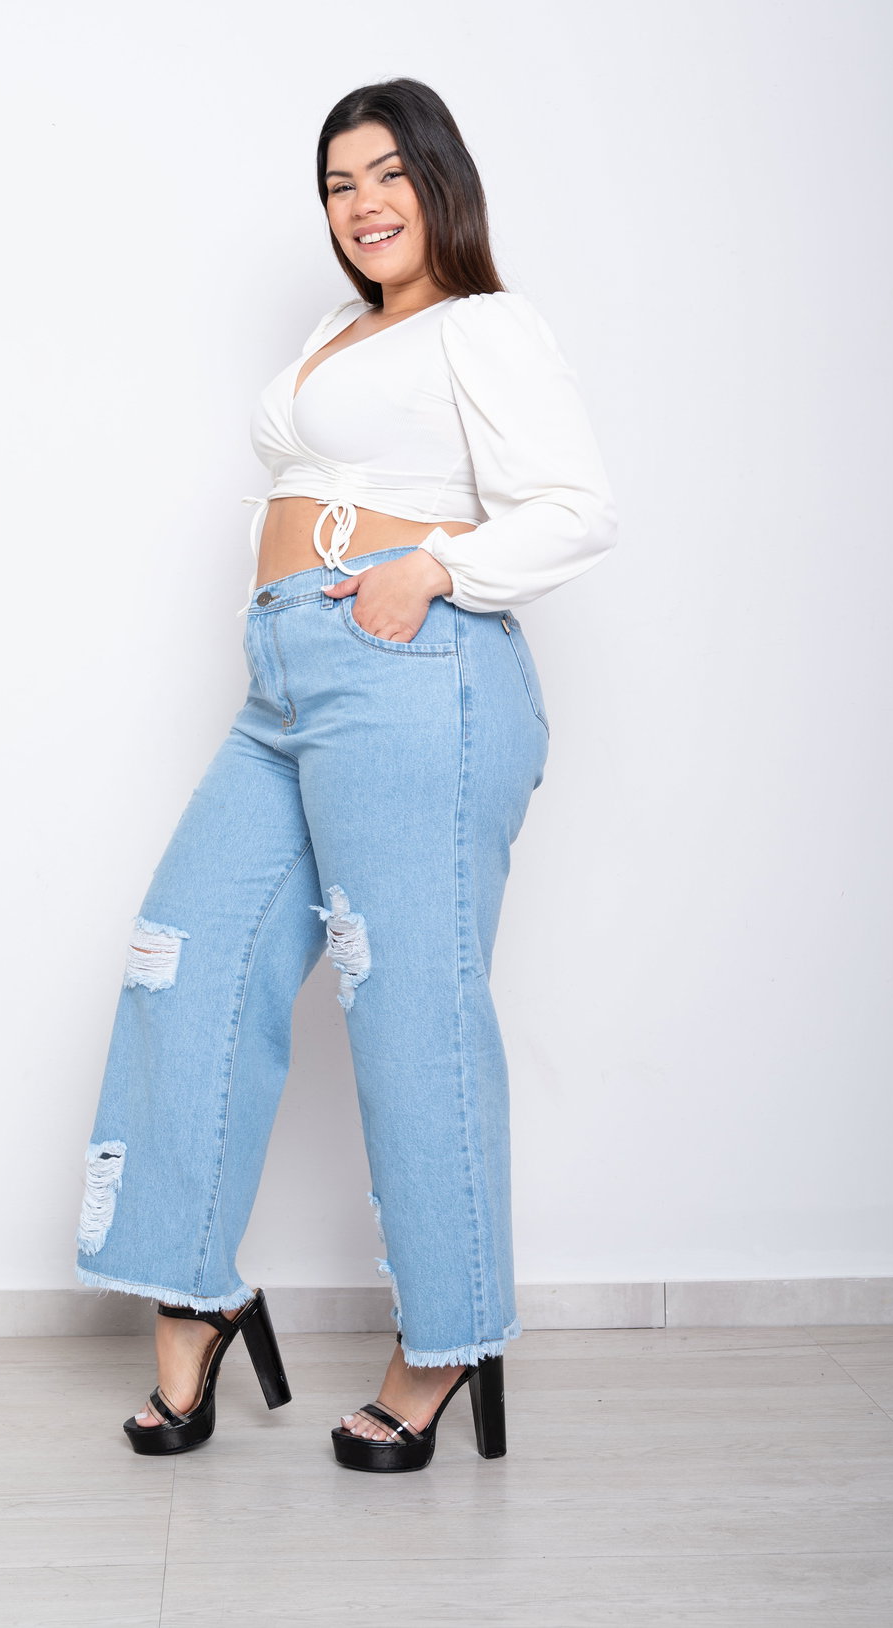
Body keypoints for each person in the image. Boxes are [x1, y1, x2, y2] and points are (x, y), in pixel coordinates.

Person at [75, 77, 618, 1473]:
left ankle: (445, 1340)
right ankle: (194, 1288)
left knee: (409, 1006)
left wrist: (430, 568)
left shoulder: (484, 326)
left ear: (440, 182)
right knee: (185, 960)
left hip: (417, 676)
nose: (363, 203)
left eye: (387, 173)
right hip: (287, 685)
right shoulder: (337, 331)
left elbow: (575, 507)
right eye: (337, 182)